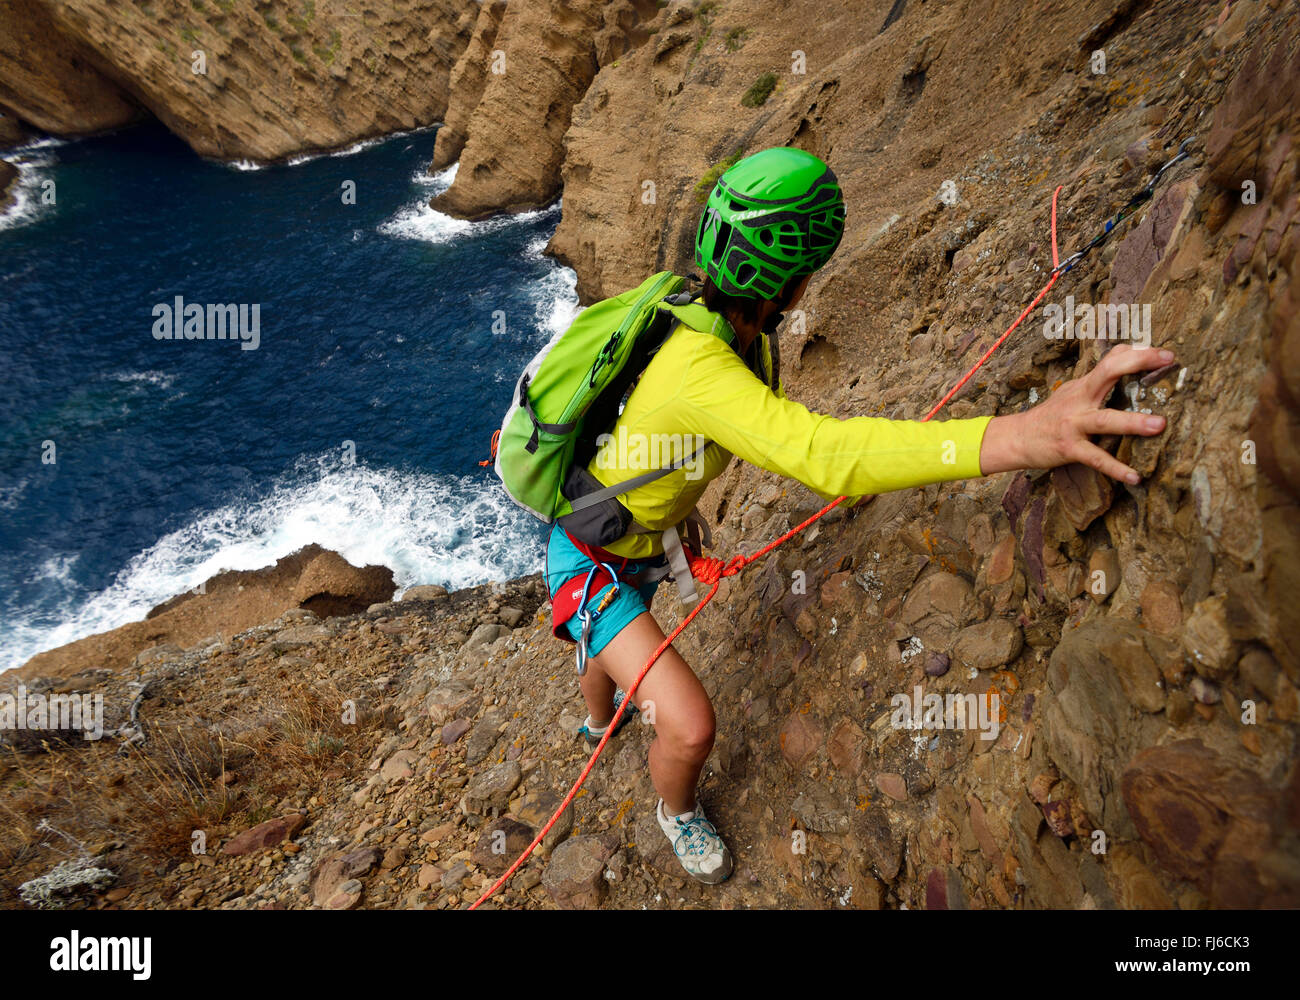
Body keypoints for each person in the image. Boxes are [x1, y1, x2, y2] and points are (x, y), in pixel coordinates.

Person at [544, 146, 1173, 884]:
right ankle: (672, 808)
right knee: (688, 726)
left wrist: (675, 524)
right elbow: (826, 455)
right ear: (791, 277)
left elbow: (668, 445)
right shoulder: (710, 368)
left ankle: (600, 714)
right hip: (589, 562)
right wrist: (1021, 434)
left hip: (631, 540)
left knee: (610, 642)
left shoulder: (721, 330)